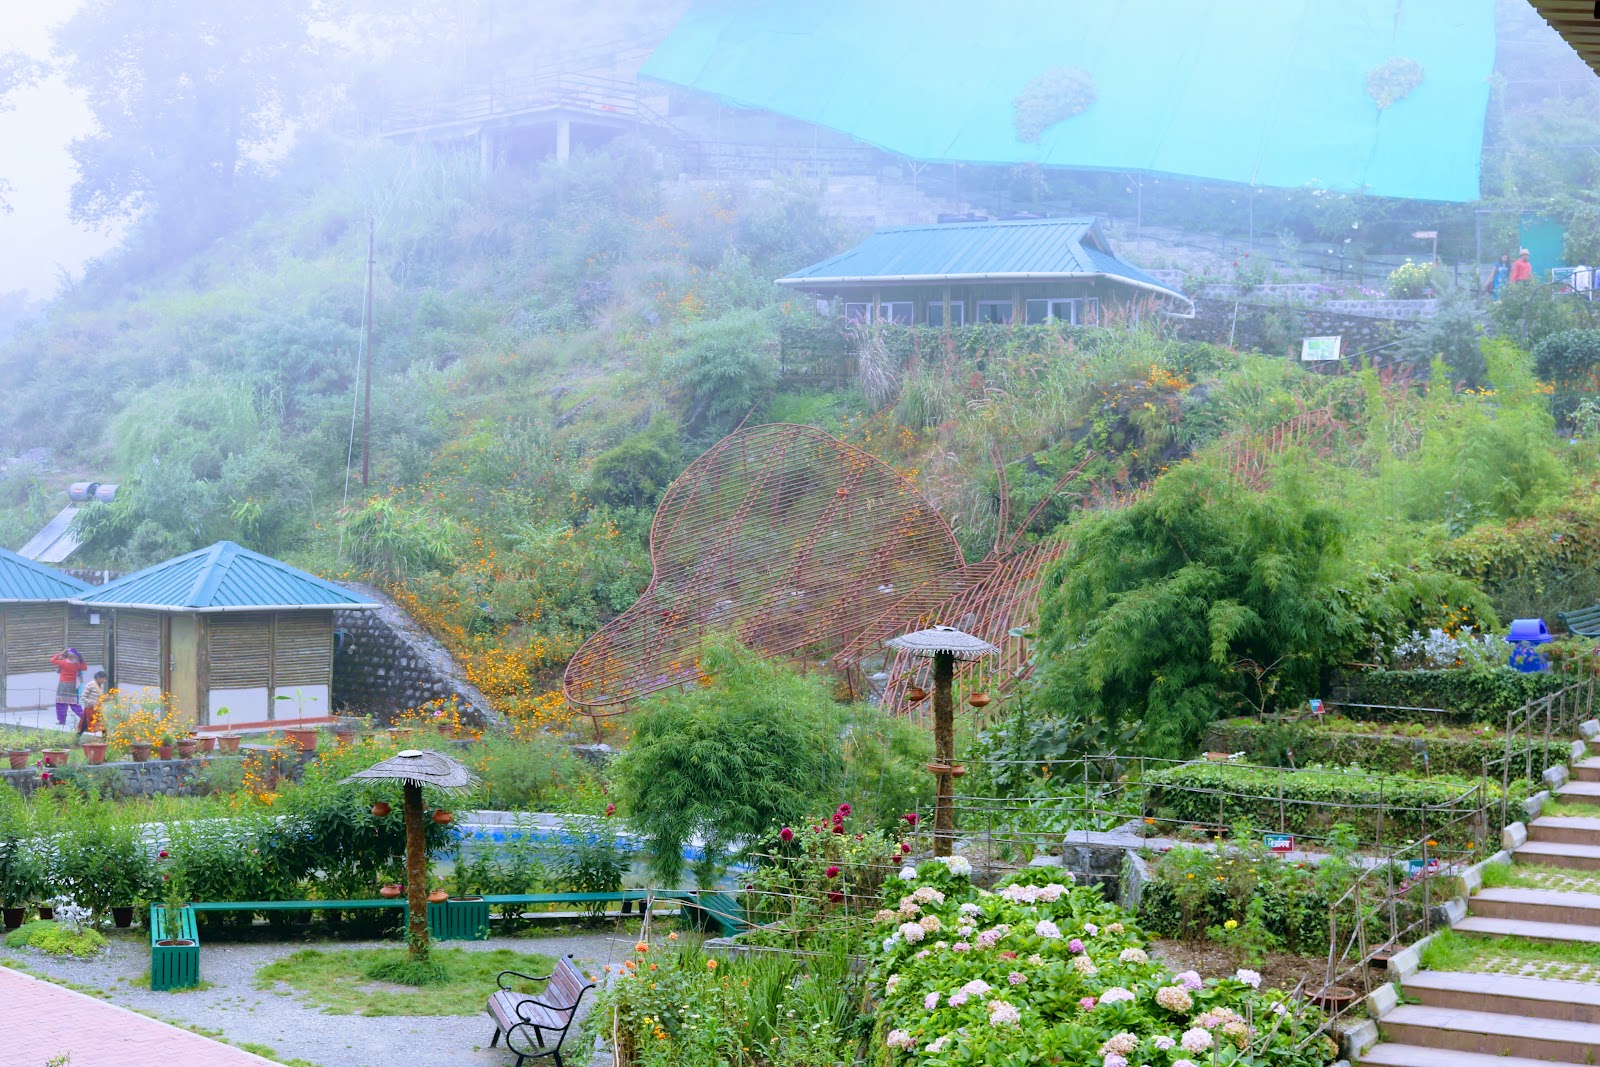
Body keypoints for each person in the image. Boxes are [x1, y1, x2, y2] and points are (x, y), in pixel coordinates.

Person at [49, 648, 86, 726]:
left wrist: (60, 654)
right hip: (72, 685)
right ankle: (84, 718)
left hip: (62, 685)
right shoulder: (77, 665)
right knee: (74, 703)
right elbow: (85, 667)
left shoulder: (62, 663)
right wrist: (81, 658)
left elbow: (52, 660)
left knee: (60, 703)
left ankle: (62, 721)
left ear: (67, 655)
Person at [75, 670, 107, 741]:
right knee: (84, 726)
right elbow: (83, 697)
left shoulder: (101, 686)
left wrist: (107, 699)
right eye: (103, 678)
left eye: (105, 679)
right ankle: (75, 740)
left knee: (103, 726)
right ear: (98, 678)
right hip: (90, 709)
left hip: (98, 709)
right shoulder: (90, 685)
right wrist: (91, 703)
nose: (104, 680)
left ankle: (105, 742)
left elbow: (100, 698)